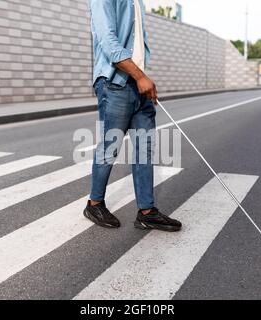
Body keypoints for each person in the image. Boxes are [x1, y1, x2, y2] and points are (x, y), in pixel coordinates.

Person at [83, 0, 182, 232]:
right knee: (110, 146)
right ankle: (94, 204)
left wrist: (140, 78)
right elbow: (108, 41)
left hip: (137, 83)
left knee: (145, 147)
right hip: (114, 82)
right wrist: (140, 76)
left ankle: (147, 212)